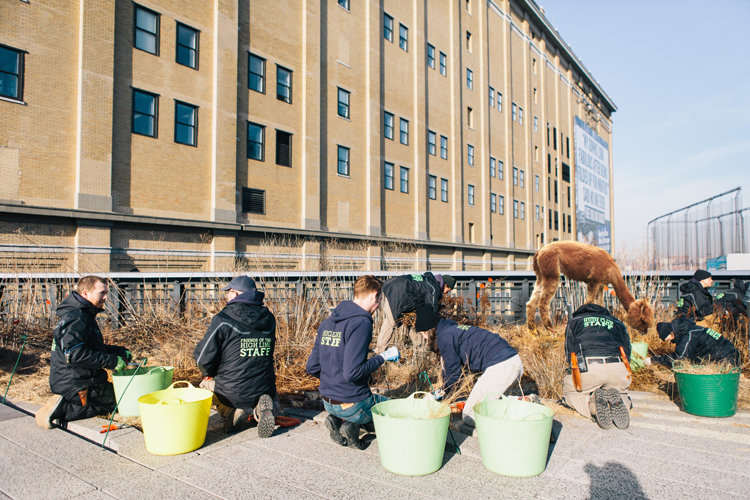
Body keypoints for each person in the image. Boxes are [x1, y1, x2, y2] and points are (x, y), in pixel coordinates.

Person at [306, 275, 400, 449]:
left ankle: (337, 420)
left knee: (364, 407)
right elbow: (353, 372)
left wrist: (333, 380)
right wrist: (383, 357)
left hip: (328, 401)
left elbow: (311, 367)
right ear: (375, 295)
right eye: (380, 300)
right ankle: (351, 425)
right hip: (352, 404)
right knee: (391, 408)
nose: (379, 305)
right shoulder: (361, 322)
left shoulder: (327, 323)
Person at [35, 276, 132, 429]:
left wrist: (118, 352)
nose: (106, 297)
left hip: (76, 380)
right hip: (77, 383)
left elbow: (90, 348)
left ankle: (69, 401)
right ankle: (63, 409)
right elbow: (75, 354)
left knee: (118, 397)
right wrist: (112, 362)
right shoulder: (77, 318)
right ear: (85, 294)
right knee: (121, 402)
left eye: (106, 293)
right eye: (102, 293)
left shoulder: (80, 314)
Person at [194, 275, 278, 437]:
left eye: (229, 292)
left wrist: (208, 374)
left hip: (232, 390)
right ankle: (261, 409)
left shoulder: (223, 319)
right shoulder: (269, 318)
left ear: (236, 294)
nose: (226, 296)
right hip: (265, 387)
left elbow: (202, 357)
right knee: (262, 386)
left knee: (204, 386)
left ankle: (232, 411)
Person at [414, 305, 523, 427]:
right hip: (511, 362)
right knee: (493, 407)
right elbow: (448, 369)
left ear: (430, 330)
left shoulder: (445, 338)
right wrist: (440, 393)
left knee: (470, 415)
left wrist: (438, 398)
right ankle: (521, 402)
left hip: (501, 367)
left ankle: (482, 439)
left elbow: (454, 377)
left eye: (424, 333)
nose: (424, 338)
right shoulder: (451, 331)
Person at [561, 303, 632, 430]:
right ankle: (622, 402)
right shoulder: (617, 322)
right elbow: (627, 349)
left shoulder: (575, 321)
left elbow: (569, 349)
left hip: (589, 367)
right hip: (617, 366)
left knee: (571, 395)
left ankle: (591, 405)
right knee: (621, 392)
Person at [375, 272, 456, 352]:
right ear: (445, 284)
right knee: (391, 323)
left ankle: (420, 347)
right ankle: (379, 351)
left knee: (412, 321)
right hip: (398, 294)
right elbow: (431, 310)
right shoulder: (433, 288)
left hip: (391, 287)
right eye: (448, 290)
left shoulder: (428, 281)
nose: (446, 293)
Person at [645, 317, 741, 368]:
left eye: (667, 338)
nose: (668, 341)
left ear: (672, 333)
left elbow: (680, 358)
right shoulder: (689, 329)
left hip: (725, 359)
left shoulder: (688, 335)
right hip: (729, 353)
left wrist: (655, 360)